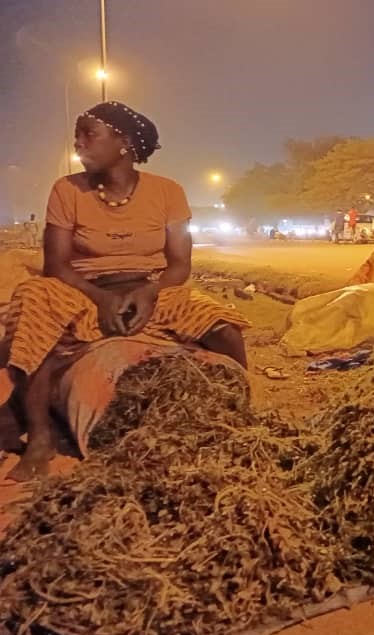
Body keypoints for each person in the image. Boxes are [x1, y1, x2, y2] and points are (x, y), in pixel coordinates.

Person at [0, 101, 250, 481]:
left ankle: (244, 419)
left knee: (223, 327)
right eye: (77, 135)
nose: (80, 143)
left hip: (151, 286)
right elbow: (56, 265)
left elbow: (180, 264)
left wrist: (149, 292)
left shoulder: (168, 192)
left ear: (124, 143)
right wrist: (100, 298)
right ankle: (39, 439)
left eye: (89, 134)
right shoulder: (66, 190)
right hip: (83, 289)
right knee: (34, 307)